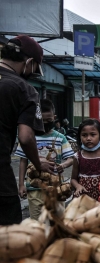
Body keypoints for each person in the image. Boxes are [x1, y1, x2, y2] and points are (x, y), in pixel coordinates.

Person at [0, 35, 56, 225]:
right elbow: (26, 137)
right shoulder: (24, 89)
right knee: (9, 237)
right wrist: (38, 164)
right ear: (30, 62)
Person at [16, 99, 75, 220]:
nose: (46, 123)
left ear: (54, 117)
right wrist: (21, 185)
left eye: (49, 120)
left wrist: (63, 165)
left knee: (57, 223)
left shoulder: (60, 138)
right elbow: (23, 161)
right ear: (36, 119)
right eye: (42, 121)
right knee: (37, 223)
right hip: (34, 189)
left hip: (56, 189)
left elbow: (71, 159)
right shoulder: (28, 138)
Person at [71, 119, 100, 201]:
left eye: (93, 135)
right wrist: (78, 186)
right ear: (80, 137)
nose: (88, 138)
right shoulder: (78, 157)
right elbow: (73, 179)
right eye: (84, 135)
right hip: (84, 200)